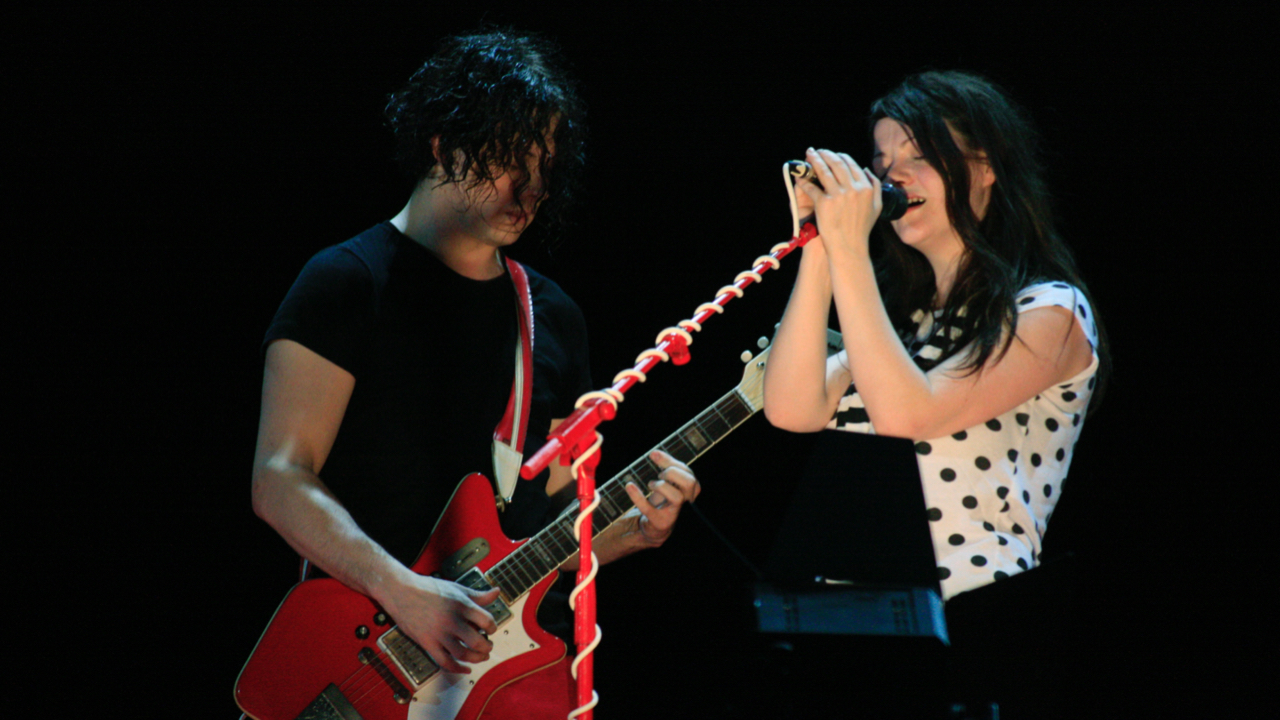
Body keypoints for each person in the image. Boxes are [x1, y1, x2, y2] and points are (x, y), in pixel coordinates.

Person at [249, 28, 699, 713]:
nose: (533, 187)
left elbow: (543, 532)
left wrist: (633, 530)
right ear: (442, 144)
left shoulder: (553, 316)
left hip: (491, 682)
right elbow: (278, 477)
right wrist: (402, 590)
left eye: (546, 163)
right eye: (510, 156)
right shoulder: (345, 282)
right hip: (362, 657)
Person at [763, 71, 1107, 602]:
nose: (892, 176)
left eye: (916, 155)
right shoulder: (899, 321)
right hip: (855, 610)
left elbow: (908, 417)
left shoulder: (1052, 312)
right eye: (881, 162)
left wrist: (850, 247)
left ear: (985, 166)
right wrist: (819, 245)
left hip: (969, 617)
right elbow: (791, 408)